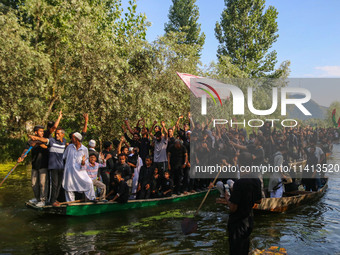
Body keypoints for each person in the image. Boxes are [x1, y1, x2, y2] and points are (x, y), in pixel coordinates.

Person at [224, 152, 262, 255]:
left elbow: (233, 208)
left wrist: (228, 198)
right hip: (249, 221)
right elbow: (259, 201)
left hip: (237, 224)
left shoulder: (239, 183)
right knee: (244, 249)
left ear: (239, 164)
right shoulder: (256, 180)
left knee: (235, 251)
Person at [19, 125, 49, 207]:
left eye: (43, 131)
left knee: (43, 184)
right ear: (36, 132)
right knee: (34, 184)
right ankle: (37, 199)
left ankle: (43, 200)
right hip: (35, 165)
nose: (42, 133)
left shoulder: (44, 140)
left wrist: (37, 142)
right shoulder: (30, 142)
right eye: (40, 131)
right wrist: (22, 157)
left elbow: (46, 147)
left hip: (43, 165)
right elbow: (26, 150)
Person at [62, 132, 96, 202]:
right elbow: (64, 157)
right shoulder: (69, 147)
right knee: (69, 187)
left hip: (80, 172)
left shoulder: (84, 149)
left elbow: (86, 163)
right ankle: (70, 202)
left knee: (89, 183)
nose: (71, 139)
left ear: (77, 139)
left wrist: (83, 162)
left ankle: (91, 198)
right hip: (70, 172)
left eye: (72, 138)